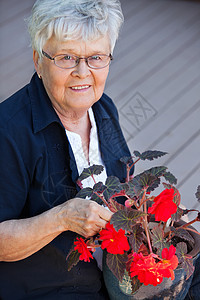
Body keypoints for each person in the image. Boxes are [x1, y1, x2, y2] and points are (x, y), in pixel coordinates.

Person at [0, 0, 131, 299]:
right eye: (67, 57)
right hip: (47, 288)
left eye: (96, 57)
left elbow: (123, 183)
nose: (82, 72)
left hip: (111, 273)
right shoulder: (8, 131)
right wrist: (60, 218)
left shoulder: (104, 109)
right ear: (38, 60)